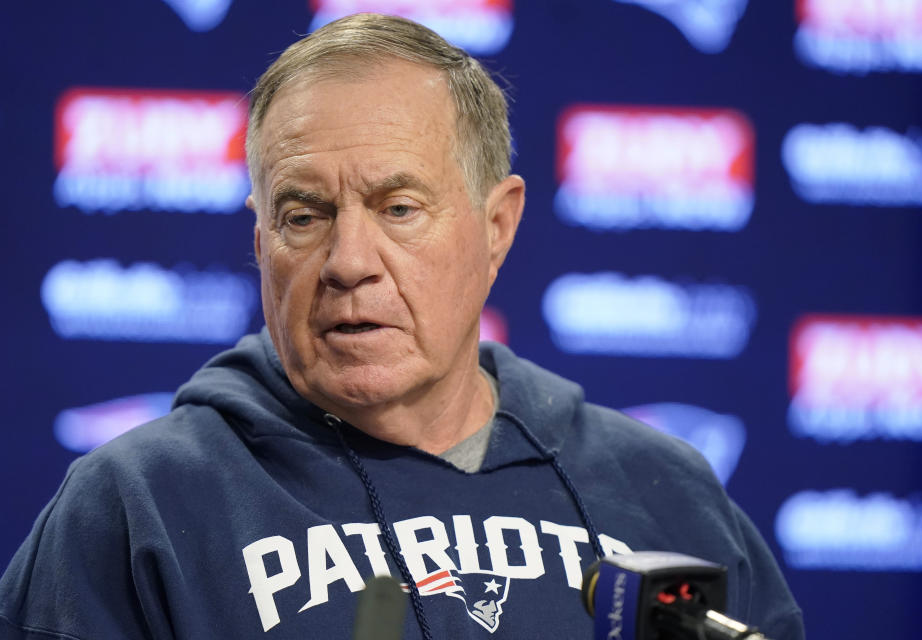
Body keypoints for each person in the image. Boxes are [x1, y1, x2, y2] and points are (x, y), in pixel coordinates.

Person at [0, 13, 804, 640]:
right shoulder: (137, 507)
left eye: (399, 209)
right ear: (259, 243)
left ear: (496, 227)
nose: (350, 261)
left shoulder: (663, 493)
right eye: (304, 215)